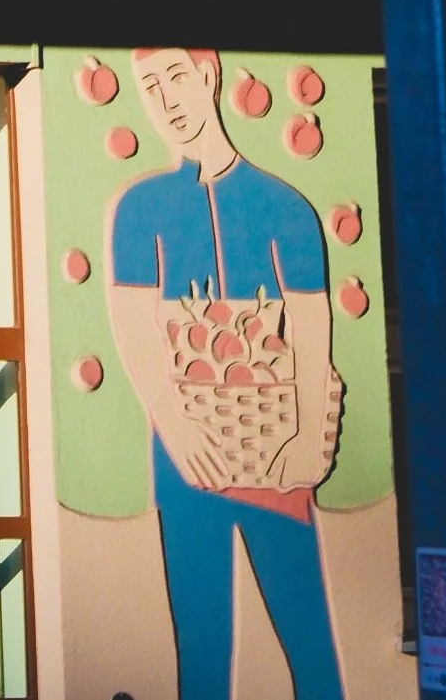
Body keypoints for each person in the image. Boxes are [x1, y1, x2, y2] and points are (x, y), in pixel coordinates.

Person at [107, 47, 347, 700]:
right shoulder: (140, 209)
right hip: (184, 461)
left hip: (272, 449)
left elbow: (310, 331)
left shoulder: (283, 206)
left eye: (175, 77)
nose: (165, 99)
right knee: (202, 656)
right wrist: (178, 430)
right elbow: (130, 325)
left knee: (311, 651)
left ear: (208, 75)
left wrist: (301, 441)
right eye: (149, 86)